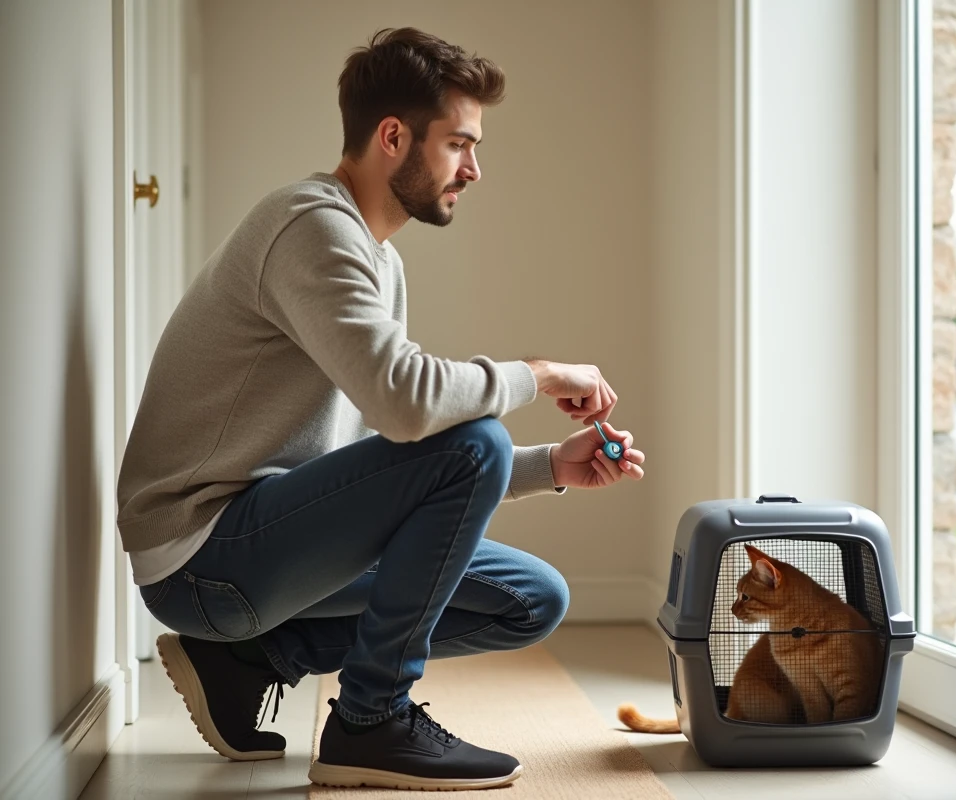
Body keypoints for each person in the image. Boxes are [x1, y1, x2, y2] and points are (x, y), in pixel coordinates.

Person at [115, 26, 646, 792]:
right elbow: (410, 410)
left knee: (532, 600)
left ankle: (252, 658)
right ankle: (371, 720)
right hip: (204, 555)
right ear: (393, 136)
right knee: (477, 443)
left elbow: (381, 453)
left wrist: (549, 467)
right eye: (460, 143)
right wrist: (537, 373)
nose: (476, 168)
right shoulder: (312, 229)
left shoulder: (375, 255)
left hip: (260, 550)